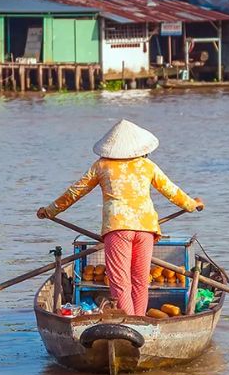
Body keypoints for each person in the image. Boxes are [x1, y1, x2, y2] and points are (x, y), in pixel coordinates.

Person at [37, 120, 203, 317]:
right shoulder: (147, 166)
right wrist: (193, 204)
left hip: (118, 228)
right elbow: (172, 191)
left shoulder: (101, 166)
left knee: (121, 281)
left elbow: (75, 192)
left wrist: (50, 211)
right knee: (141, 280)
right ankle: (139, 322)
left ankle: (129, 322)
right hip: (146, 228)